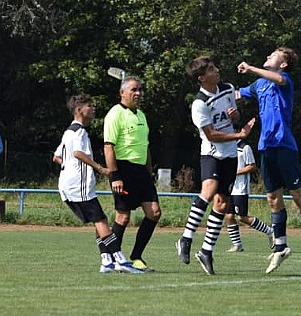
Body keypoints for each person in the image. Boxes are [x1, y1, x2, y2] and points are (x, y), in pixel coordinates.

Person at [237, 46, 301, 274]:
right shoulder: (258, 85)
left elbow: (275, 78)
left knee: (297, 195)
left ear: (283, 64)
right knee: (273, 198)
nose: (267, 56)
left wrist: (251, 68)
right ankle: (281, 247)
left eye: (273, 55)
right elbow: (237, 94)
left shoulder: (284, 79)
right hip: (267, 148)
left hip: (285, 146)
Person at [175, 55, 255, 275]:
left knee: (221, 202)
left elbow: (234, 119)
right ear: (202, 78)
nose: (217, 70)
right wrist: (240, 134)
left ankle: (206, 251)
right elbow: (211, 135)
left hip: (230, 155)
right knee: (209, 190)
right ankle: (186, 238)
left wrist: (236, 116)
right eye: (211, 69)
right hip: (212, 153)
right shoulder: (199, 103)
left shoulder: (228, 89)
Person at [53, 94, 141, 274]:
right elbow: (78, 153)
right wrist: (100, 168)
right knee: (101, 221)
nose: (93, 109)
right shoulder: (79, 132)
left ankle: (106, 261)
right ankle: (120, 259)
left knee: (99, 221)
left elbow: (57, 157)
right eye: (89, 106)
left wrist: (68, 167)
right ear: (79, 110)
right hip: (79, 186)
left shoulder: (68, 131)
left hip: (69, 185)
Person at [104, 75, 161, 273]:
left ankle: (136, 256)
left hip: (141, 172)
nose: (138, 93)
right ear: (122, 93)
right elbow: (108, 147)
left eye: (139, 90)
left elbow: (146, 147)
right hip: (123, 170)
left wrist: (149, 170)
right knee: (123, 217)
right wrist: (115, 176)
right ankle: (111, 258)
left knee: (154, 212)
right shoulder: (114, 114)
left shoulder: (142, 115)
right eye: (133, 90)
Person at [225, 139, 274, 252]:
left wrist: (236, 172)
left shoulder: (244, 147)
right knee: (228, 216)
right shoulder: (227, 147)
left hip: (240, 188)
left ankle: (270, 231)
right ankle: (237, 245)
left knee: (242, 217)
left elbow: (252, 166)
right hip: (230, 188)